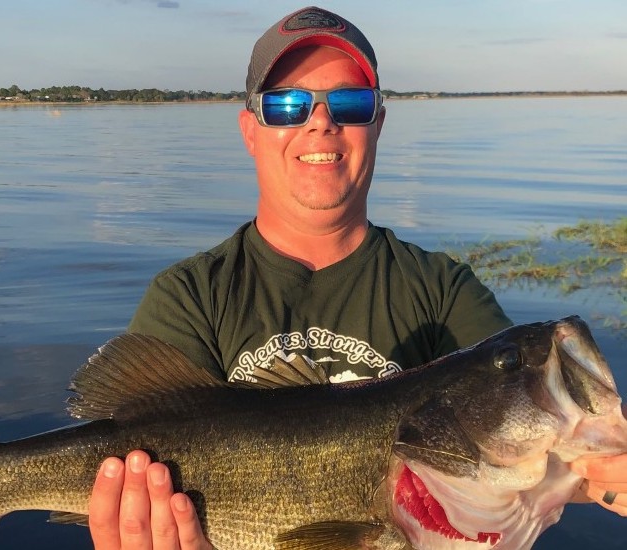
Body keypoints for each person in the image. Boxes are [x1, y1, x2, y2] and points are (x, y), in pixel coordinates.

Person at [87, 6, 627, 550]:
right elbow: (124, 428)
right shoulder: (190, 297)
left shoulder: (442, 291)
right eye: (286, 105)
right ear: (251, 130)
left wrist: (603, 477)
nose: (320, 121)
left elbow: (533, 447)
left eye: (349, 102)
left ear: (378, 123)